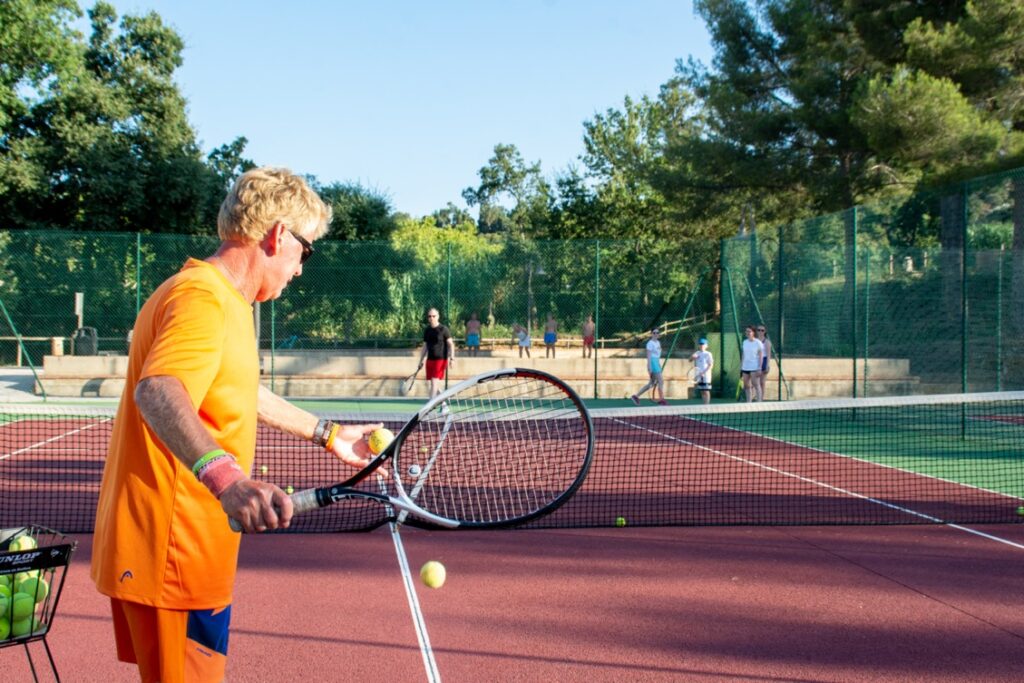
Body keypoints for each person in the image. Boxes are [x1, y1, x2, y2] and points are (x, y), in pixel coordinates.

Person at [90, 167, 382, 683]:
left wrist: (330, 435)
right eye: (305, 251)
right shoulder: (203, 299)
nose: (300, 269)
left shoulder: (222, 300)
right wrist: (227, 480)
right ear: (276, 236)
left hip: (191, 553)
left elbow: (241, 389)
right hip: (172, 552)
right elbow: (158, 389)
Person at [416, 307, 455, 399]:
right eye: (429, 316)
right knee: (434, 384)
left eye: (433, 316)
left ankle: (429, 406)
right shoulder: (427, 330)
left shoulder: (444, 329)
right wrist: (421, 361)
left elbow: (451, 344)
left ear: (438, 317)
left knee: (434, 382)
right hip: (430, 360)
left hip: (441, 360)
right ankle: (444, 403)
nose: (431, 318)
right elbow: (425, 346)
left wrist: (452, 358)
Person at [631, 327, 667, 406]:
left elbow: (657, 355)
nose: (656, 334)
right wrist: (649, 367)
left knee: (651, 383)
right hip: (653, 363)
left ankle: (635, 396)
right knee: (661, 381)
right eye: (654, 333)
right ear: (651, 334)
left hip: (656, 362)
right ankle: (662, 400)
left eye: (657, 333)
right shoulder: (650, 344)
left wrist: (658, 364)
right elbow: (649, 356)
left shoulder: (658, 343)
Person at [740, 324, 764, 403]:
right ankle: (748, 402)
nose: (747, 333)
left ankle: (759, 402)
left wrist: (759, 368)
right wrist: (741, 365)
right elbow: (744, 354)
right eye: (746, 331)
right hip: (745, 367)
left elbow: (761, 356)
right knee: (747, 386)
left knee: (756, 384)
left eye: (749, 331)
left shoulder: (758, 343)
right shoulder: (744, 342)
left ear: (753, 332)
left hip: (754, 367)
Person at [690, 337, 714, 405]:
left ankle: (707, 406)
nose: (701, 345)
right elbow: (690, 360)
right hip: (699, 376)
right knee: (702, 391)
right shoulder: (697, 353)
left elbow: (710, 365)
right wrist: (692, 357)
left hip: (706, 376)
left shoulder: (708, 354)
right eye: (700, 344)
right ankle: (704, 405)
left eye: (703, 344)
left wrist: (703, 373)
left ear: (706, 345)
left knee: (706, 391)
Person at [756, 325, 772, 401]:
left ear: (765, 332)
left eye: (762, 330)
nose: (760, 332)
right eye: (759, 330)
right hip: (755, 361)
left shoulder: (767, 342)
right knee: (755, 382)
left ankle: (761, 399)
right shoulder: (754, 341)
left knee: (762, 382)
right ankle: (755, 397)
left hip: (764, 361)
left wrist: (767, 365)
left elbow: (768, 355)